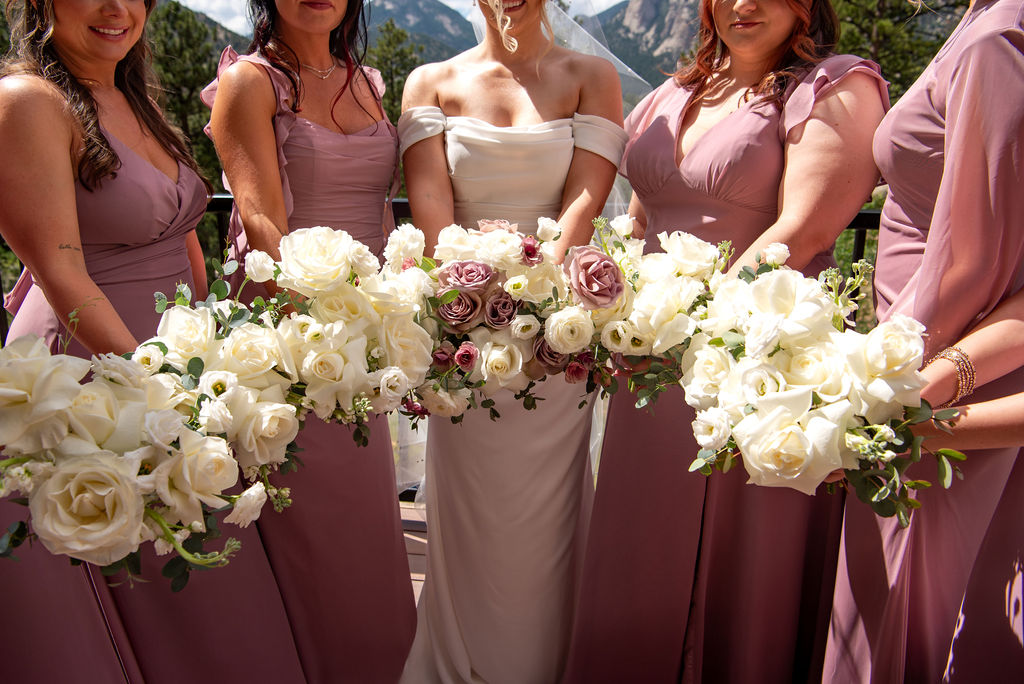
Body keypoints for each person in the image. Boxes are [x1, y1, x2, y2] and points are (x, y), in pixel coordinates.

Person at [562, 1, 889, 682]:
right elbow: (641, 218)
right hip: (646, 362)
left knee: (737, 550)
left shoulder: (834, 88)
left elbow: (804, 232)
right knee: (640, 536)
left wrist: (691, 319)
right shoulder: (673, 92)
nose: (744, 4)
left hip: (753, 361)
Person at [0, 0, 307, 682]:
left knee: (214, 587)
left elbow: (184, 237)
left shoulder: (128, 95)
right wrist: (161, 384)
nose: (119, 9)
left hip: (171, 363)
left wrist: (213, 349)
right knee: (145, 578)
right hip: (92, 377)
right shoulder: (27, 101)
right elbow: (59, 274)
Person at [396, 0, 627, 680]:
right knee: (471, 519)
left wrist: (536, 299)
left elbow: (584, 203)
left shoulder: (592, 76)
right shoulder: (430, 81)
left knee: (546, 521)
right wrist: (475, 304)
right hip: (464, 338)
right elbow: (432, 206)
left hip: (556, 335)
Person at [202, 0, 416, 680]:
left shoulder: (370, 82)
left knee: (366, 522)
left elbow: (382, 206)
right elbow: (262, 217)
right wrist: (332, 322)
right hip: (296, 334)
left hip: (371, 328)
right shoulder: (252, 82)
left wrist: (389, 316)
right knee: (320, 523)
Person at [823, 1, 1024, 681]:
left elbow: (971, 261)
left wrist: (876, 395)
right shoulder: (983, 20)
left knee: (912, 611)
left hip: (938, 366)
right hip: (929, 359)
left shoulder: (1001, 38)